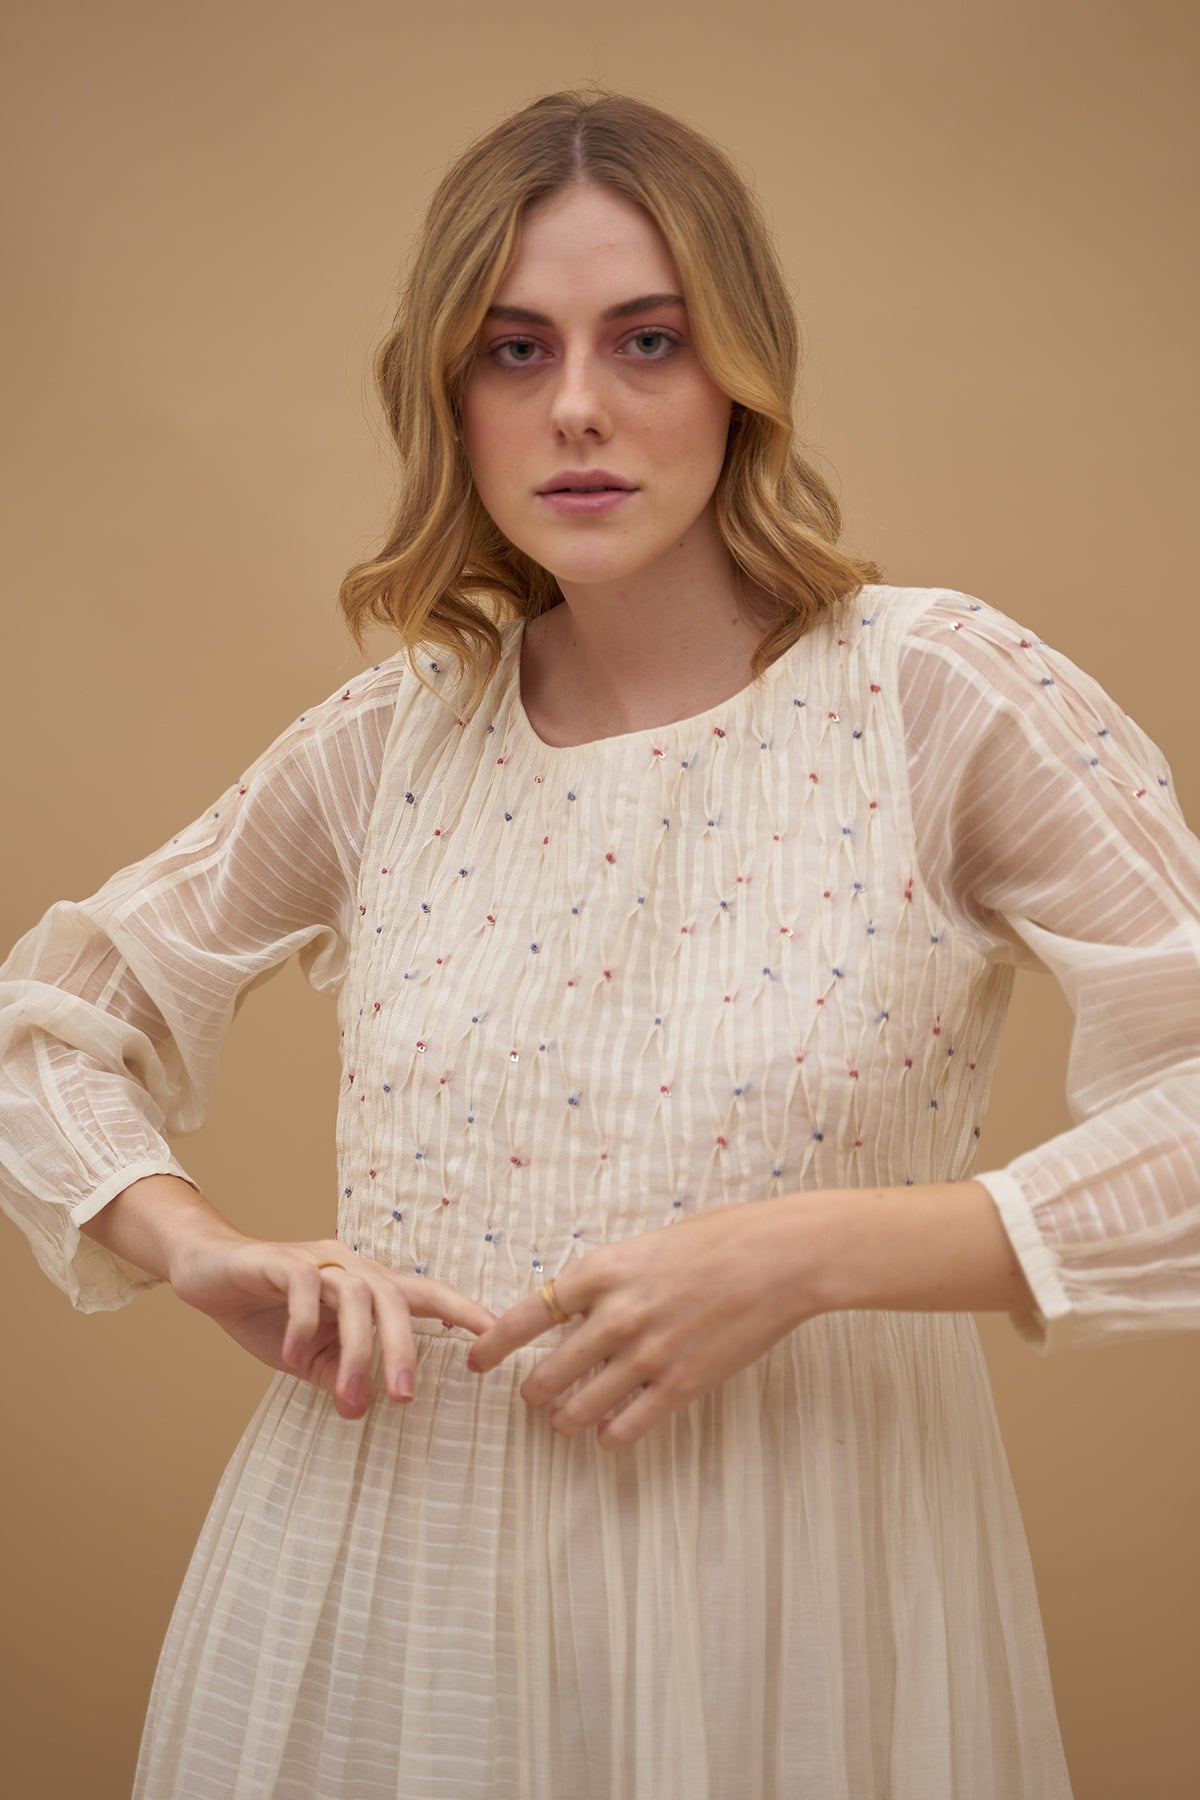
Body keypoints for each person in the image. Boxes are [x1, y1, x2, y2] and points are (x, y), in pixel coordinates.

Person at [1, 86, 1197, 1800]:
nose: (577, 406)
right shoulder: (394, 742)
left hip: (793, 1618)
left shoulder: (930, 697)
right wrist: (195, 1250)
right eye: (514, 351)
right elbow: (40, 1030)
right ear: (450, 398)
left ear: (740, 375)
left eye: (648, 340)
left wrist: (810, 1255)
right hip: (391, 1616)